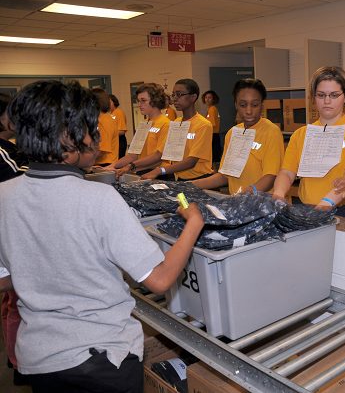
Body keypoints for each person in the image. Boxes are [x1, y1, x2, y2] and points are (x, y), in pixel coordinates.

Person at [0, 80, 204, 393]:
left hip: (40, 358)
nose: (97, 138)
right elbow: (160, 279)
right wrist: (193, 224)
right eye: (90, 129)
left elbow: (5, 278)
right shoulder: (99, 198)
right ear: (67, 139)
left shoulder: (4, 195)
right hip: (104, 359)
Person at [272, 66, 345, 220]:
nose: (326, 101)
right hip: (307, 208)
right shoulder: (301, 135)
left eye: (334, 95)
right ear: (313, 97)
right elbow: (287, 172)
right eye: (321, 95)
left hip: (344, 211)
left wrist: (326, 203)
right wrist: (278, 194)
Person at [192, 79, 284, 194]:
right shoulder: (232, 133)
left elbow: (271, 176)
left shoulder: (271, 132)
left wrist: (247, 193)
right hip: (237, 203)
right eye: (243, 105)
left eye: (254, 105)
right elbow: (225, 175)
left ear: (262, 105)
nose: (249, 111)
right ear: (236, 105)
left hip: (262, 205)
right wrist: (191, 185)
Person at [0, 92, 29, 386]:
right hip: (9, 233)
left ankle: (15, 358)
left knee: (12, 302)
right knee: (16, 300)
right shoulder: (3, 152)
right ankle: (19, 361)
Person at [141, 79, 213, 181]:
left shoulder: (203, 125)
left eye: (179, 94)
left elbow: (191, 161)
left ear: (193, 97)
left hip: (199, 179)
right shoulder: (176, 122)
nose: (174, 99)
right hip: (180, 178)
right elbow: (164, 153)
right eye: (173, 95)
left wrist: (160, 170)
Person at [105, 83, 171, 177]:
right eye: (138, 101)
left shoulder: (166, 124)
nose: (139, 105)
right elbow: (133, 154)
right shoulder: (144, 124)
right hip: (142, 171)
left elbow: (158, 156)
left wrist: (130, 166)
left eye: (143, 101)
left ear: (155, 101)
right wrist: (112, 166)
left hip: (159, 174)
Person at [92, 88, 119, 166]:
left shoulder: (104, 120)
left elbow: (102, 150)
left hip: (105, 164)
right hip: (99, 163)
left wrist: (83, 161)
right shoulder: (100, 119)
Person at [201, 90, 221, 161]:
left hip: (213, 135)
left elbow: (211, 124)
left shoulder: (212, 109)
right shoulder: (211, 108)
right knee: (215, 155)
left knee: (214, 156)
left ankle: (214, 171)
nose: (207, 99)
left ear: (213, 99)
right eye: (206, 97)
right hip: (214, 135)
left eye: (209, 98)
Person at [109, 94, 128, 158]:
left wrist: (109, 133)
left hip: (120, 141)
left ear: (114, 102)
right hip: (113, 141)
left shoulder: (119, 112)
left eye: (109, 102)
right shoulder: (109, 114)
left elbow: (122, 131)